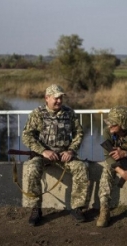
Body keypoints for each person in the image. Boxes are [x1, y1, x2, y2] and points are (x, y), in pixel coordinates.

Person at [22, 84, 89, 226]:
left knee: (81, 168)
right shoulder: (38, 113)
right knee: (31, 168)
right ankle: (36, 209)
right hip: (43, 156)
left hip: (65, 156)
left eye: (61, 98)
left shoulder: (69, 113)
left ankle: (77, 207)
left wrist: (71, 150)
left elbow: (79, 133)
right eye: (56, 98)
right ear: (47, 98)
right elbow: (27, 136)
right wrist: (43, 151)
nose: (59, 101)